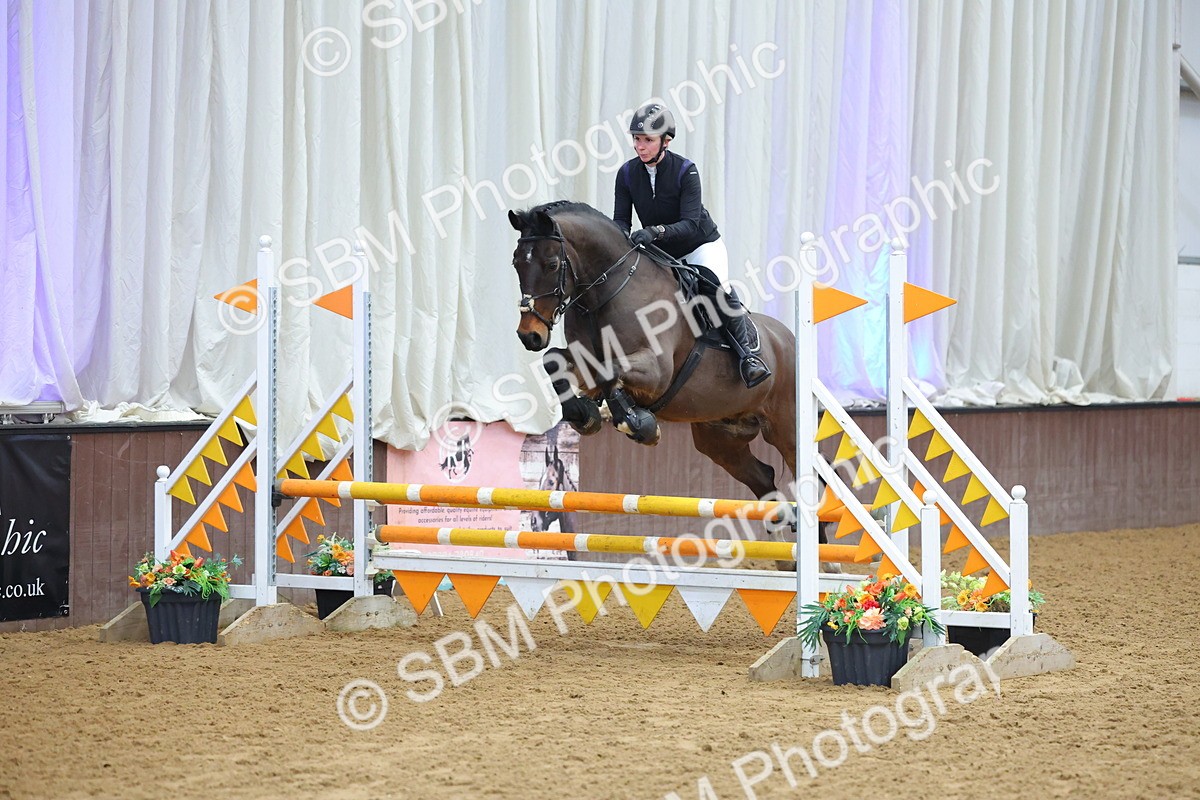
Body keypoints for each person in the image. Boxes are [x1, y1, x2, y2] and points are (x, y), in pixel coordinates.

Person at [613, 102, 770, 388]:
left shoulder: (686, 170)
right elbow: (621, 222)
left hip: (699, 245)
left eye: (647, 140)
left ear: (666, 141)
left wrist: (654, 231)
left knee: (715, 286)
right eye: (636, 139)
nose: (640, 146)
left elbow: (691, 224)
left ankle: (748, 357)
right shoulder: (626, 174)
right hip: (660, 252)